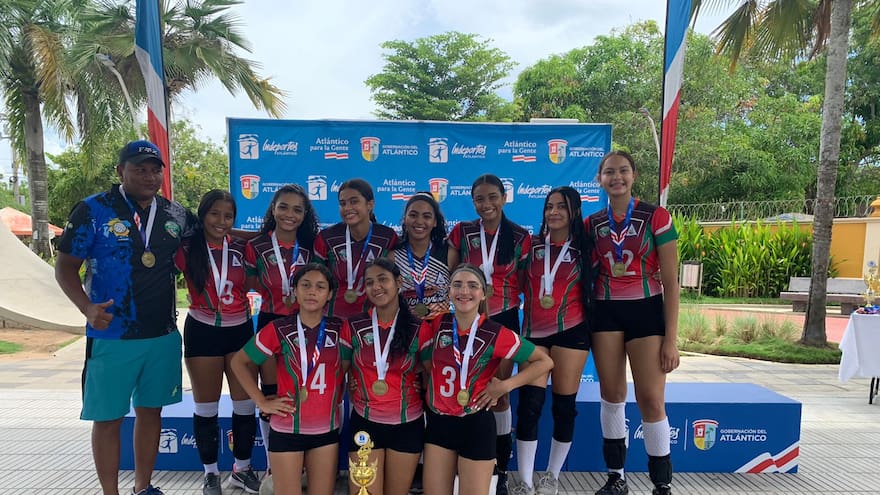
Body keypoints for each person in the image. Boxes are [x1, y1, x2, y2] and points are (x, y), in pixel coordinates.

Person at [55, 140, 197, 495]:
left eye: (155, 169)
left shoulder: (175, 214)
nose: (149, 176)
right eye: (139, 169)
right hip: (112, 335)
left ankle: (142, 487)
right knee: (108, 419)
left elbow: (216, 235)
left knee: (151, 413)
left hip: (162, 335)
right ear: (121, 172)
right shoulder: (92, 210)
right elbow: (65, 268)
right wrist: (86, 307)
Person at [585, 151, 681, 495]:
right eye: (609, 172)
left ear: (634, 175)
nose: (616, 177)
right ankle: (616, 477)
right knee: (611, 395)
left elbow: (672, 282)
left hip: (647, 311)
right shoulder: (592, 223)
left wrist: (671, 339)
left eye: (623, 171)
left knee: (651, 399)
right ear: (600, 179)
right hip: (606, 312)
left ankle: (661, 484)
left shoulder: (656, 216)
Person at [420, 264, 553, 495]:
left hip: (476, 424)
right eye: (457, 285)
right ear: (449, 291)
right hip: (439, 424)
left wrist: (504, 386)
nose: (464, 291)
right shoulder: (436, 324)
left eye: (473, 286)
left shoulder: (495, 332)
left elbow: (545, 362)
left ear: (483, 293)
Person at [231, 263, 348, 495]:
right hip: (286, 429)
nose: (312, 291)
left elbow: (349, 367)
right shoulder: (278, 328)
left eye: (320, 286)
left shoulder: (341, 330)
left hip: (325, 429)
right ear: (295, 290)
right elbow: (239, 362)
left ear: (330, 294)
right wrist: (261, 402)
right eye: (305, 285)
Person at [447, 174, 531, 493]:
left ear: (504, 198)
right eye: (480, 199)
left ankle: (501, 468)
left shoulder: (520, 236)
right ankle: (462, 463)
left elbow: (526, 283)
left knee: (497, 394)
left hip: (504, 318)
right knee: (462, 387)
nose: (486, 204)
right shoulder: (462, 231)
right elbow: (452, 276)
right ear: (473, 202)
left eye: (492, 197)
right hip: (466, 320)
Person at [174, 190, 260, 494]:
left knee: (245, 404)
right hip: (202, 329)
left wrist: (228, 231)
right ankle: (210, 473)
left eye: (228, 216)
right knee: (206, 407)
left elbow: (263, 236)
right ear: (202, 215)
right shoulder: (186, 247)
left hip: (240, 329)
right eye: (214, 214)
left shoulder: (241, 247)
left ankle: (243, 468)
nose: (221, 221)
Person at [512, 187, 593, 495]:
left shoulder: (586, 248)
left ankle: (552, 476)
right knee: (530, 407)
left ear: (574, 212)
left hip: (572, 331)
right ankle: (526, 481)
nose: (554, 212)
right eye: (549, 207)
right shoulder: (530, 247)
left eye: (562, 206)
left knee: (563, 408)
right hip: (533, 332)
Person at [245, 184, 320, 486]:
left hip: (308, 325)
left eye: (297, 209)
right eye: (284, 207)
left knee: (306, 388)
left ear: (305, 215)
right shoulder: (257, 246)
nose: (290, 214)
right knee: (272, 392)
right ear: (273, 208)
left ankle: (305, 462)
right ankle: (274, 463)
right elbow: (251, 284)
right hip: (271, 322)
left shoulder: (313, 247)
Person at [342, 258, 425, 495]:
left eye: (382, 279)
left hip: (407, 424)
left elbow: (433, 370)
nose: (376, 286)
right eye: (369, 282)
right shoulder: (354, 326)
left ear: (398, 282)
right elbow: (341, 369)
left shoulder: (419, 328)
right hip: (365, 424)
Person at [315, 178, 398, 318]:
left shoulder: (388, 237)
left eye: (354, 201)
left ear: (370, 204)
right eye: (342, 203)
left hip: (374, 322)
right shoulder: (326, 238)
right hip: (332, 320)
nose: (347, 208)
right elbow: (316, 281)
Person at [392, 192, 450, 320]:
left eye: (427, 216)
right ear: (404, 219)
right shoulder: (393, 255)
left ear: (435, 222)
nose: (419, 221)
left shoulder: (449, 253)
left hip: (440, 330)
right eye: (413, 215)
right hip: (406, 330)